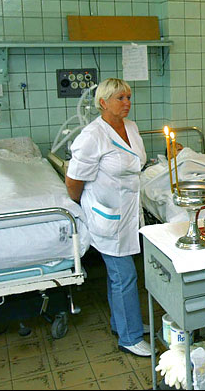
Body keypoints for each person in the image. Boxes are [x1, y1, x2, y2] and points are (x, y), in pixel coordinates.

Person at [65, 78, 151, 357]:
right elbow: (73, 182)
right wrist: (85, 207)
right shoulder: (92, 136)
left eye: (128, 97)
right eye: (120, 98)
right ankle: (129, 337)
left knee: (120, 276)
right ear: (103, 102)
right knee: (124, 276)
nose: (127, 103)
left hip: (128, 213)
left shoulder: (131, 127)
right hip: (107, 215)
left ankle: (122, 323)